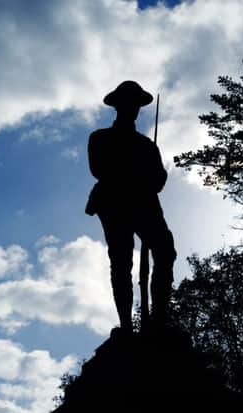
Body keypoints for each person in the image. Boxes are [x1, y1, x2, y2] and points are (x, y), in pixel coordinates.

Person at [86, 81, 176, 333]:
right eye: (128, 103)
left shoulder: (147, 145)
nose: (133, 109)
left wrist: (152, 180)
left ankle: (158, 320)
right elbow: (98, 169)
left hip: (145, 203)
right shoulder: (100, 138)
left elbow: (159, 178)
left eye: (136, 104)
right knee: (122, 259)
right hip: (113, 202)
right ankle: (126, 325)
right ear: (118, 106)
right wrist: (136, 175)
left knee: (165, 250)